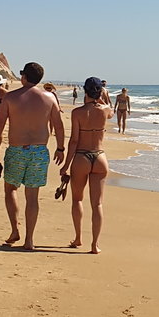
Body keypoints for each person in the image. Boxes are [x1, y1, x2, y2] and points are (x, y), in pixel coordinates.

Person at [0, 62, 65, 251]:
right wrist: (61, 148)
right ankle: (29, 240)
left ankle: (15, 230)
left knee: (11, 189)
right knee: (32, 196)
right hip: (39, 151)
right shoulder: (50, 98)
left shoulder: (11, 97)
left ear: (24, 77)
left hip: (16, 150)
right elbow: (59, 124)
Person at [61, 77, 114, 254]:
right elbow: (111, 110)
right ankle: (95, 244)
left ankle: (78, 238)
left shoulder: (77, 113)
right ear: (100, 91)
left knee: (77, 200)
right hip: (99, 156)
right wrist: (103, 97)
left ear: (85, 91)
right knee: (97, 204)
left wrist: (66, 165)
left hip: (81, 157)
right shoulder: (105, 111)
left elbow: (74, 141)